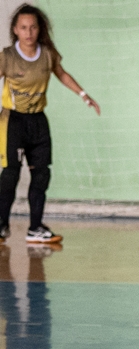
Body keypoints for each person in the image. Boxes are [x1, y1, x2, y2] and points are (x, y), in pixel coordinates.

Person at [0, 4, 100, 245]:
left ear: (39, 29)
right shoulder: (7, 57)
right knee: (10, 175)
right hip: (13, 120)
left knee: (41, 175)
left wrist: (84, 95)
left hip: (38, 122)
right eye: (23, 27)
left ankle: (35, 228)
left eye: (33, 27)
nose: (29, 32)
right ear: (15, 30)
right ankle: (1, 224)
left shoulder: (47, 53)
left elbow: (61, 73)